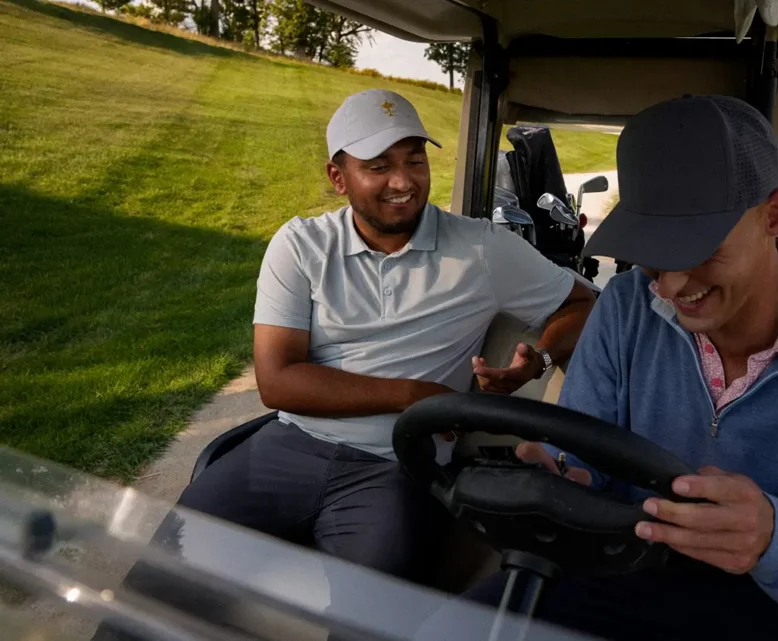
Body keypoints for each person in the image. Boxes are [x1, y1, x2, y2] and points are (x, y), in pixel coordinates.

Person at [91, 89, 595, 641]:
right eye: (378, 166)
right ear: (338, 177)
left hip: (397, 465)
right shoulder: (301, 245)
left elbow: (583, 303)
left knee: (369, 623)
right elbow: (278, 382)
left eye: (414, 160)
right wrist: (414, 396)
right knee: (152, 591)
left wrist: (538, 358)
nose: (403, 181)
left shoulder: (481, 248)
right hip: (287, 449)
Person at [448, 95, 778, 640]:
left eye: (699, 248)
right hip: (632, 573)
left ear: (775, 215)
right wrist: (566, 476)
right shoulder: (626, 307)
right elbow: (588, 458)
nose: (672, 286)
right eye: (654, 250)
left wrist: (775, 540)